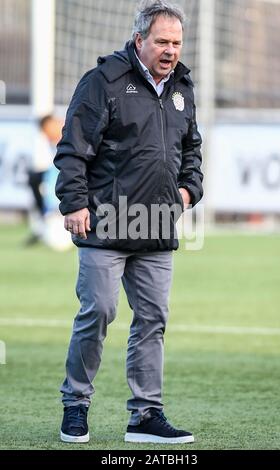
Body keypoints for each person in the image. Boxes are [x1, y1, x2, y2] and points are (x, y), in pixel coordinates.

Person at [54, 0, 203, 444]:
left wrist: (187, 190)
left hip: (156, 222)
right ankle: (75, 405)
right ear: (140, 39)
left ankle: (145, 416)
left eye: (176, 42)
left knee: (153, 319)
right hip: (105, 221)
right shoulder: (104, 82)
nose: (171, 50)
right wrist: (74, 204)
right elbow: (72, 148)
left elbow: (191, 149)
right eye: (162, 41)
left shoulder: (182, 87)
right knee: (99, 311)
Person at [26, 115, 62, 245]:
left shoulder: (72, 134)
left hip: (79, 175)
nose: (47, 136)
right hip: (62, 173)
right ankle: (44, 219)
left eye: (47, 131)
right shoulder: (53, 141)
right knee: (34, 178)